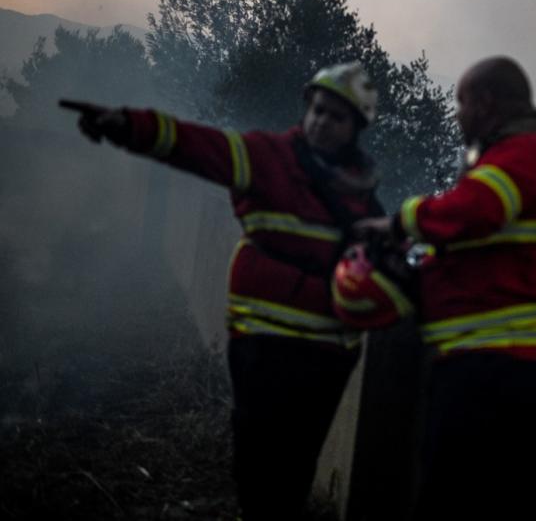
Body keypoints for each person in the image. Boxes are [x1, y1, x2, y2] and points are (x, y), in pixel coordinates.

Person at [64, 62, 383, 520]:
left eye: (336, 116)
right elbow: (197, 145)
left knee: (296, 465)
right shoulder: (268, 157)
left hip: (328, 355)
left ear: (356, 128)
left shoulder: (363, 195)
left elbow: (381, 261)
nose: (321, 121)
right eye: (317, 109)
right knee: (257, 461)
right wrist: (130, 125)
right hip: (264, 342)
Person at [353, 55, 536, 521]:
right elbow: (483, 247)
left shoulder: (526, 151)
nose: (457, 115)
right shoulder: (518, 153)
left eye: (461, 102)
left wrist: (401, 223)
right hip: (488, 362)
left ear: (486, 102)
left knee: (451, 500)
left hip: (499, 366)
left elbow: (477, 209)